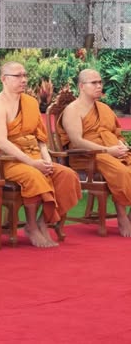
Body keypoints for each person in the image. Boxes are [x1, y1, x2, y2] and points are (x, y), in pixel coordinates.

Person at [0, 61, 82, 248]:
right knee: (34, 175)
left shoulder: (30, 103)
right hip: (3, 162)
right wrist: (32, 163)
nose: (24, 80)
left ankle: (42, 221)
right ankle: (32, 226)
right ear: (4, 79)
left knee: (67, 175)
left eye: (25, 75)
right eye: (18, 76)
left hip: (34, 157)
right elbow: (2, 142)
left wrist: (47, 160)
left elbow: (40, 137)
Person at [58, 68, 131, 236]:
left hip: (111, 150)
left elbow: (115, 133)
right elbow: (77, 141)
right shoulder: (73, 110)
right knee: (121, 171)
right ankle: (121, 216)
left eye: (100, 82)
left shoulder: (104, 108)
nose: (99, 86)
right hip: (87, 156)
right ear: (81, 86)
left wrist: (121, 145)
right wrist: (108, 150)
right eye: (94, 83)